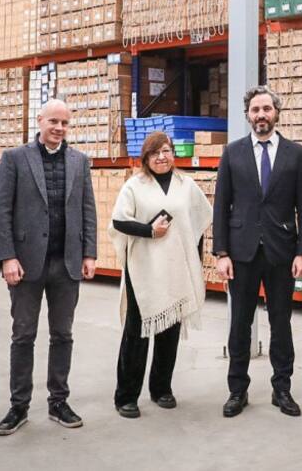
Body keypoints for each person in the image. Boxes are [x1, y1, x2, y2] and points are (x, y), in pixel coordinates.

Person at [0, 99, 97, 435]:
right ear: (39, 120)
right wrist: (7, 256)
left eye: (65, 123)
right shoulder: (15, 159)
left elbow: (88, 210)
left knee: (62, 334)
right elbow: (0, 210)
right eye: (53, 121)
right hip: (25, 264)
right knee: (23, 335)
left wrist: (89, 254)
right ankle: (18, 405)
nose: (59, 128)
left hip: (66, 264)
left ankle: (58, 401)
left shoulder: (80, 161)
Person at [213, 86, 302, 418]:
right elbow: (222, 205)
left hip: (282, 252)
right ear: (247, 115)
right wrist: (221, 252)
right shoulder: (233, 152)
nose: (261, 115)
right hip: (241, 253)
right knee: (239, 323)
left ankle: (282, 389)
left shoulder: (296, 154)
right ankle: (236, 391)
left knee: (280, 323)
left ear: (276, 113)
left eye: (267, 109)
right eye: (255, 109)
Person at [110, 131, 212, 418]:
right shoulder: (135, 185)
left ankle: (161, 389)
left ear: (173, 154)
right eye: (155, 153)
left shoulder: (186, 185)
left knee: (169, 331)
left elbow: (199, 221)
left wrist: (195, 261)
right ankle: (126, 396)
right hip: (142, 267)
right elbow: (119, 220)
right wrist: (149, 231)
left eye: (166, 151)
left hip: (175, 266)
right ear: (146, 158)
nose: (161, 157)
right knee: (137, 333)